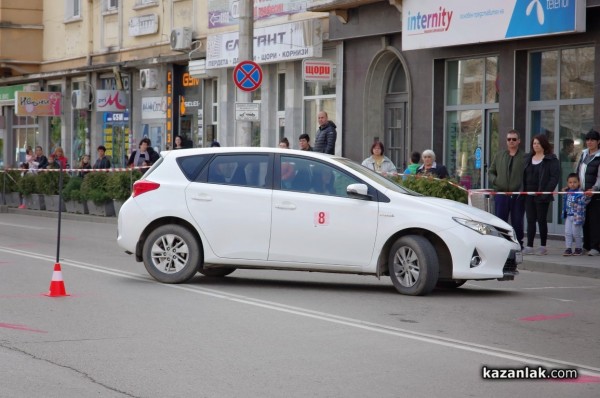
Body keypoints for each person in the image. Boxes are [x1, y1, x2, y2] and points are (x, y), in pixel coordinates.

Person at [522, 134, 560, 255]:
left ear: (544, 144)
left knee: (542, 220)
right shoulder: (528, 158)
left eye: (538, 143)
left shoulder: (551, 159)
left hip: (542, 194)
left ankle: (543, 246)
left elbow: (554, 178)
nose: (536, 145)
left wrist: (545, 193)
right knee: (530, 220)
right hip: (528, 194)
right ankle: (529, 245)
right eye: (534, 143)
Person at [488, 129, 526, 248]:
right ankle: (501, 243)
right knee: (500, 220)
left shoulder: (524, 157)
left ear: (519, 141)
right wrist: (496, 181)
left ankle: (518, 243)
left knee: (517, 221)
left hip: (517, 195)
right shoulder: (499, 155)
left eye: (514, 139)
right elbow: (491, 172)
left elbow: (527, 175)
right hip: (501, 193)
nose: (511, 141)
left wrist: (522, 189)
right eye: (509, 139)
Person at [576, 129, 600, 256]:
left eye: (592, 140)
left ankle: (595, 247)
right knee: (584, 220)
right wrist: (573, 185)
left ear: (598, 142)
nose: (589, 142)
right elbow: (578, 171)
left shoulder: (599, 156)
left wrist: (595, 189)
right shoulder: (583, 154)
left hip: (595, 194)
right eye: (588, 140)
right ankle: (586, 245)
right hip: (582, 193)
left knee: (595, 220)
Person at [562, 173, 588, 256]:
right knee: (567, 232)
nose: (572, 184)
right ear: (567, 183)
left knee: (576, 233)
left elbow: (584, 202)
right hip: (568, 215)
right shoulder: (567, 192)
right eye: (570, 182)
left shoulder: (580, 193)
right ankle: (568, 248)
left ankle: (578, 248)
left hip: (577, 216)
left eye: (574, 182)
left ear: (579, 182)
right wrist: (564, 192)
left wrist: (584, 196)